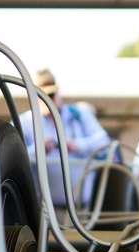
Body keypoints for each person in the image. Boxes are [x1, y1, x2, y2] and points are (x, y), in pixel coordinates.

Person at [19, 68, 111, 207]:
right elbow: (14, 156)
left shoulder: (79, 114)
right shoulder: (24, 121)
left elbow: (104, 142)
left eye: (51, 94)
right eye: (42, 95)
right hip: (43, 208)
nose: (48, 99)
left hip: (81, 207)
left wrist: (76, 145)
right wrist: (37, 150)